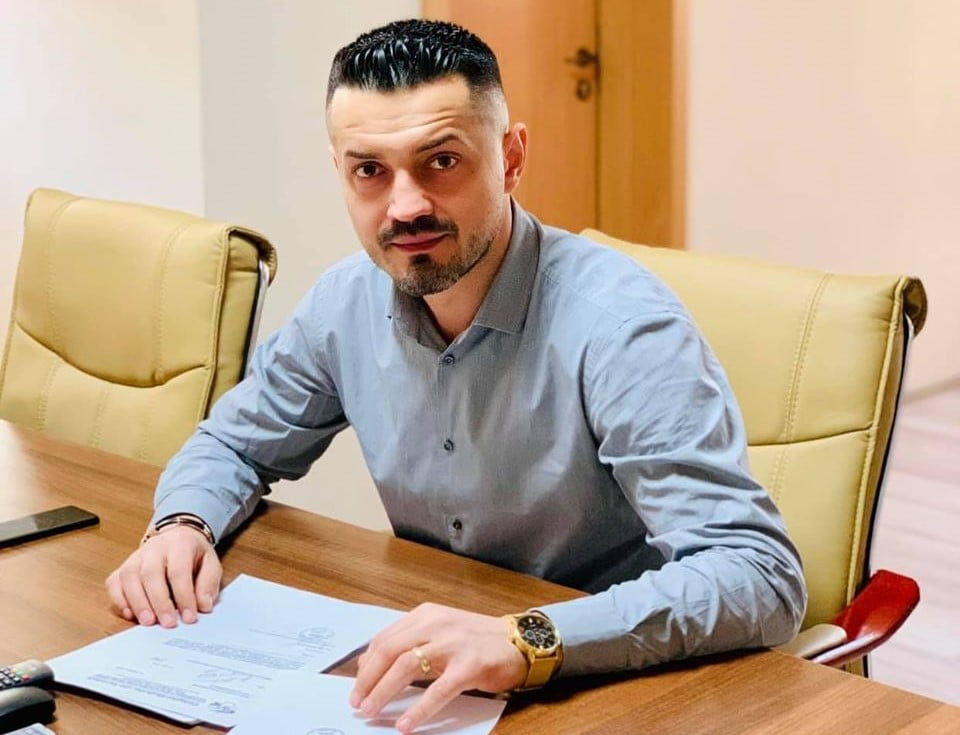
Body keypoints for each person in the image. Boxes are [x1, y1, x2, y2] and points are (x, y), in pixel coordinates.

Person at [106, 18, 806, 733]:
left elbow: (758, 574)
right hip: (438, 675)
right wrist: (183, 523)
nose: (405, 205)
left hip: (619, 685)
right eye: (370, 171)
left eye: (441, 161)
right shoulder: (344, 304)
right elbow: (234, 443)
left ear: (511, 158)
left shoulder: (621, 327)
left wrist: (526, 639)